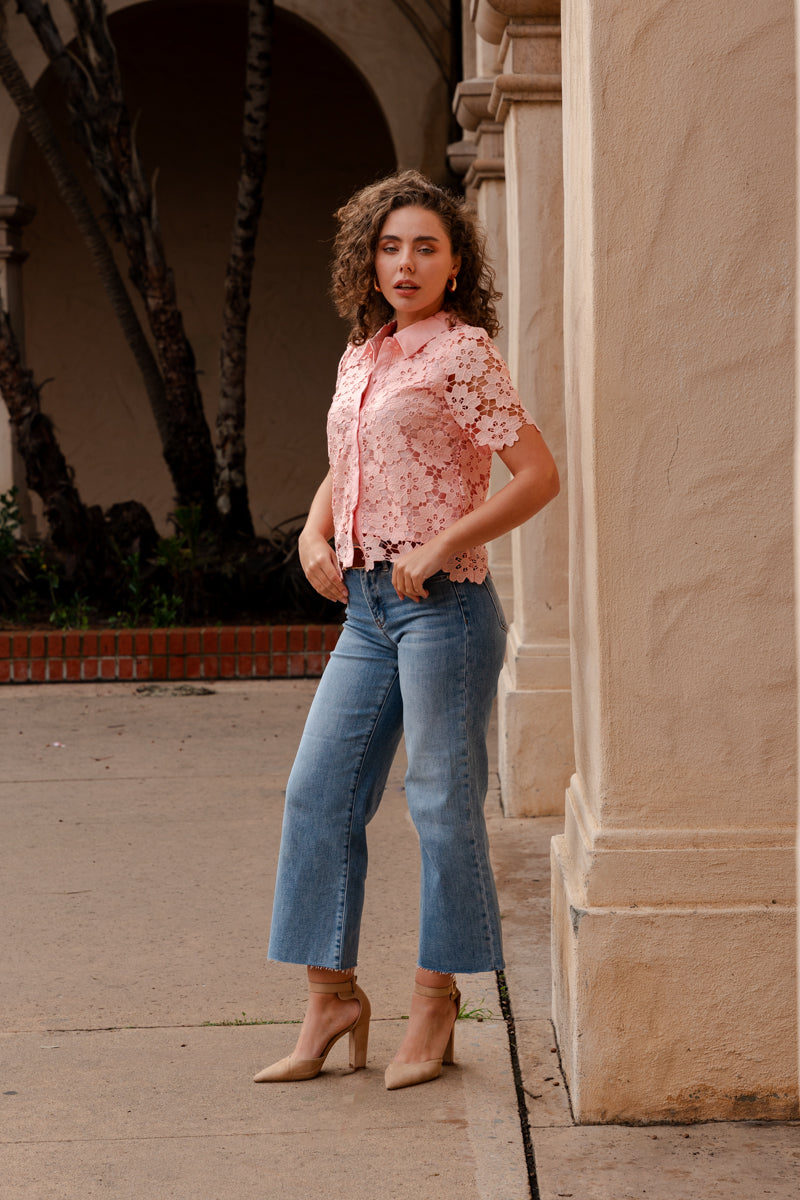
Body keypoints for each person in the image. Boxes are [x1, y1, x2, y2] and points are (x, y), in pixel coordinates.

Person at [255, 169, 559, 1091]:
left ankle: (436, 1003)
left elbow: (536, 475)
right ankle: (332, 997)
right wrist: (315, 529)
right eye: (391, 246)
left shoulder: (463, 355)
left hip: (444, 612)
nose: (406, 262)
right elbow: (345, 461)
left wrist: (440, 544)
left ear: (456, 261)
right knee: (318, 796)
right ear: (369, 259)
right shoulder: (365, 352)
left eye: (426, 246)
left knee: (439, 807)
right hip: (366, 612)